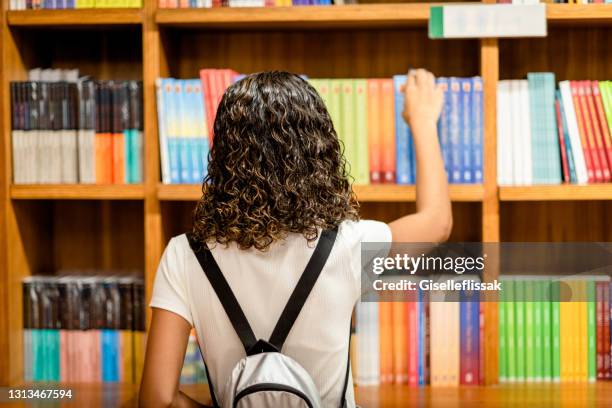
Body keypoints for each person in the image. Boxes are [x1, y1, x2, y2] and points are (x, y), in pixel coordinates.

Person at [139, 69, 451, 408]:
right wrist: (421, 120)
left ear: (224, 156)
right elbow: (437, 223)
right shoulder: (348, 245)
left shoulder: (184, 255)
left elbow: (158, 400)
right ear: (319, 151)